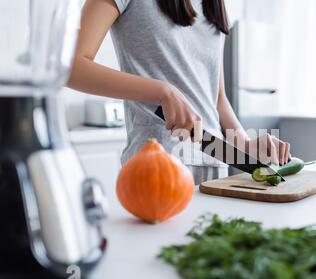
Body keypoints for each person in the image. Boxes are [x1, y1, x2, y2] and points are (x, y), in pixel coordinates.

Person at [68, 0, 292, 184]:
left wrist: (246, 144)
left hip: (214, 169)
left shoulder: (214, 3)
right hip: (157, 168)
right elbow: (71, 68)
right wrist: (163, 91)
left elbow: (216, 98)